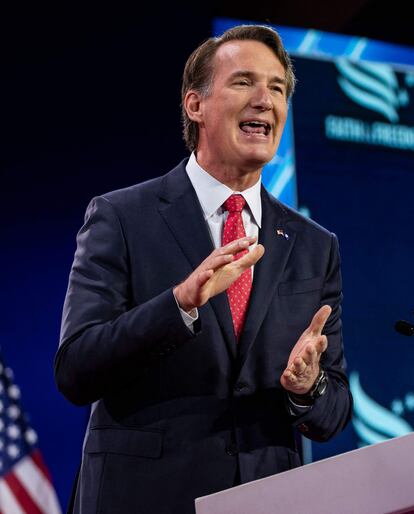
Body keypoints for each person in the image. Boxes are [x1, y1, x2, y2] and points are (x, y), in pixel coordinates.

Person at [55, 24, 352, 514]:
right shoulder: (122, 217)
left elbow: (334, 410)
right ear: (195, 105)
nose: (264, 100)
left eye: (277, 88)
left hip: (265, 500)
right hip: (143, 498)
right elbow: (76, 369)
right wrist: (179, 305)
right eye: (243, 82)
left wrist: (307, 388)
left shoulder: (314, 246)